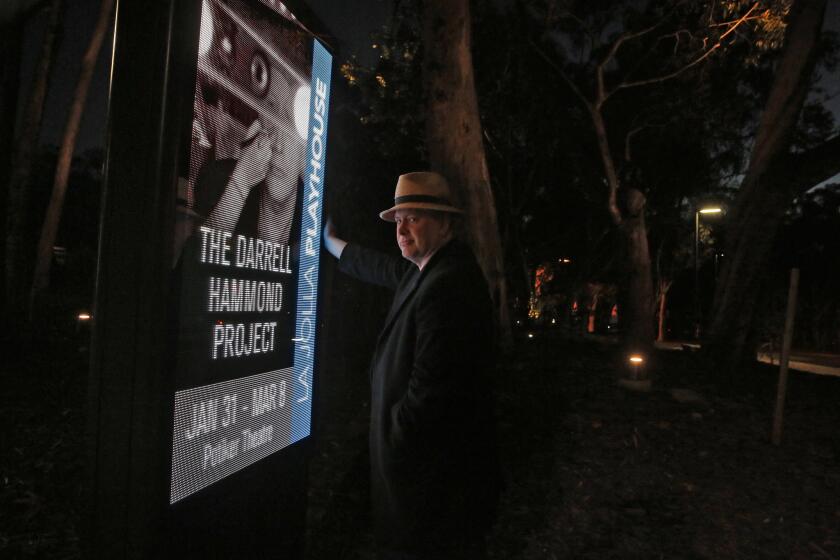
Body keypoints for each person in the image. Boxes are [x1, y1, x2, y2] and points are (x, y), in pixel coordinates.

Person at [323, 171, 501, 559]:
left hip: (424, 474)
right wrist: (332, 243)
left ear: (445, 223)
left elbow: (433, 391)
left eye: (414, 218)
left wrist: (395, 434)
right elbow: (381, 267)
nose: (402, 229)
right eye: (398, 219)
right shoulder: (430, 268)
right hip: (416, 467)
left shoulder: (448, 286)